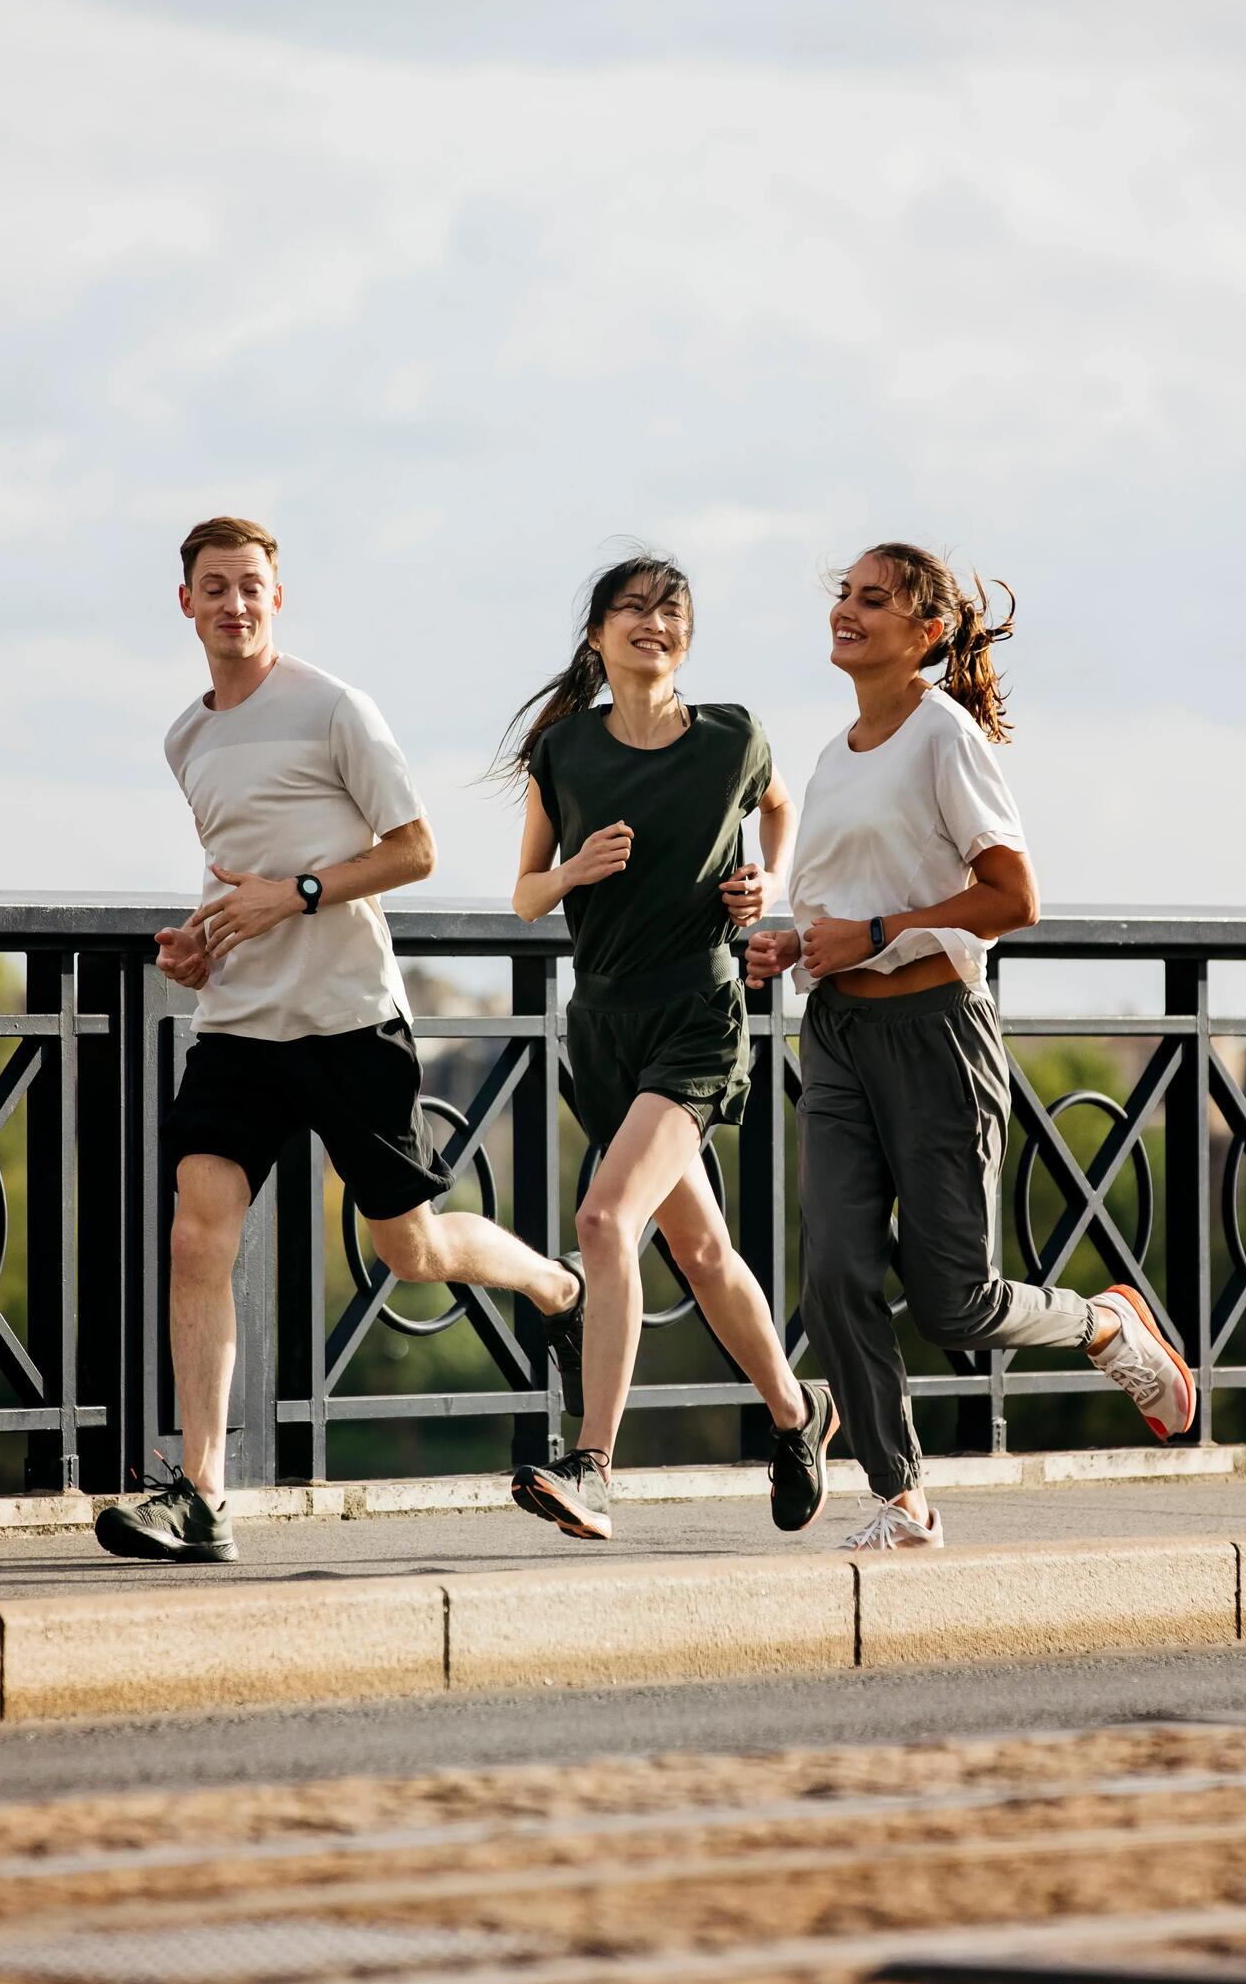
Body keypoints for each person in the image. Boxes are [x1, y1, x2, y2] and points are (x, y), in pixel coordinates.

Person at [95, 514, 583, 1562]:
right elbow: (240, 872)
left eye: (252, 586)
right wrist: (199, 945)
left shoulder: (334, 708)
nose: (235, 603)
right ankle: (201, 1494)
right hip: (238, 1025)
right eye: (215, 587)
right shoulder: (186, 737)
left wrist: (301, 895)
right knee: (196, 1237)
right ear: (186, 604)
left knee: (410, 1251)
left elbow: (415, 850)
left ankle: (555, 1286)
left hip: (352, 1020)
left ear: (280, 596)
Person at [746, 542, 1193, 1554]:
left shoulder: (942, 736)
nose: (846, 613)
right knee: (836, 1273)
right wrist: (788, 944)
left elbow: (1013, 898)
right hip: (838, 1037)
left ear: (928, 633)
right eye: (844, 597)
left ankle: (1105, 1325)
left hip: (936, 1036)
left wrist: (881, 930)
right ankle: (903, 1496)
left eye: (874, 601)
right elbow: (839, 914)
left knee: (955, 1302)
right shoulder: (830, 756)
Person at [502, 554, 837, 1543]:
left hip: (697, 1013)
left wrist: (766, 882)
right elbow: (522, 895)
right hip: (601, 1026)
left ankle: (594, 1465)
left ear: (685, 637)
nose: (653, 623)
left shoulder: (732, 737)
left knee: (604, 1222)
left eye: (670, 610)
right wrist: (574, 872)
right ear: (598, 635)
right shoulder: (563, 750)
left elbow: (780, 811)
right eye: (632, 609)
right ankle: (795, 1411)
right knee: (697, 1247)